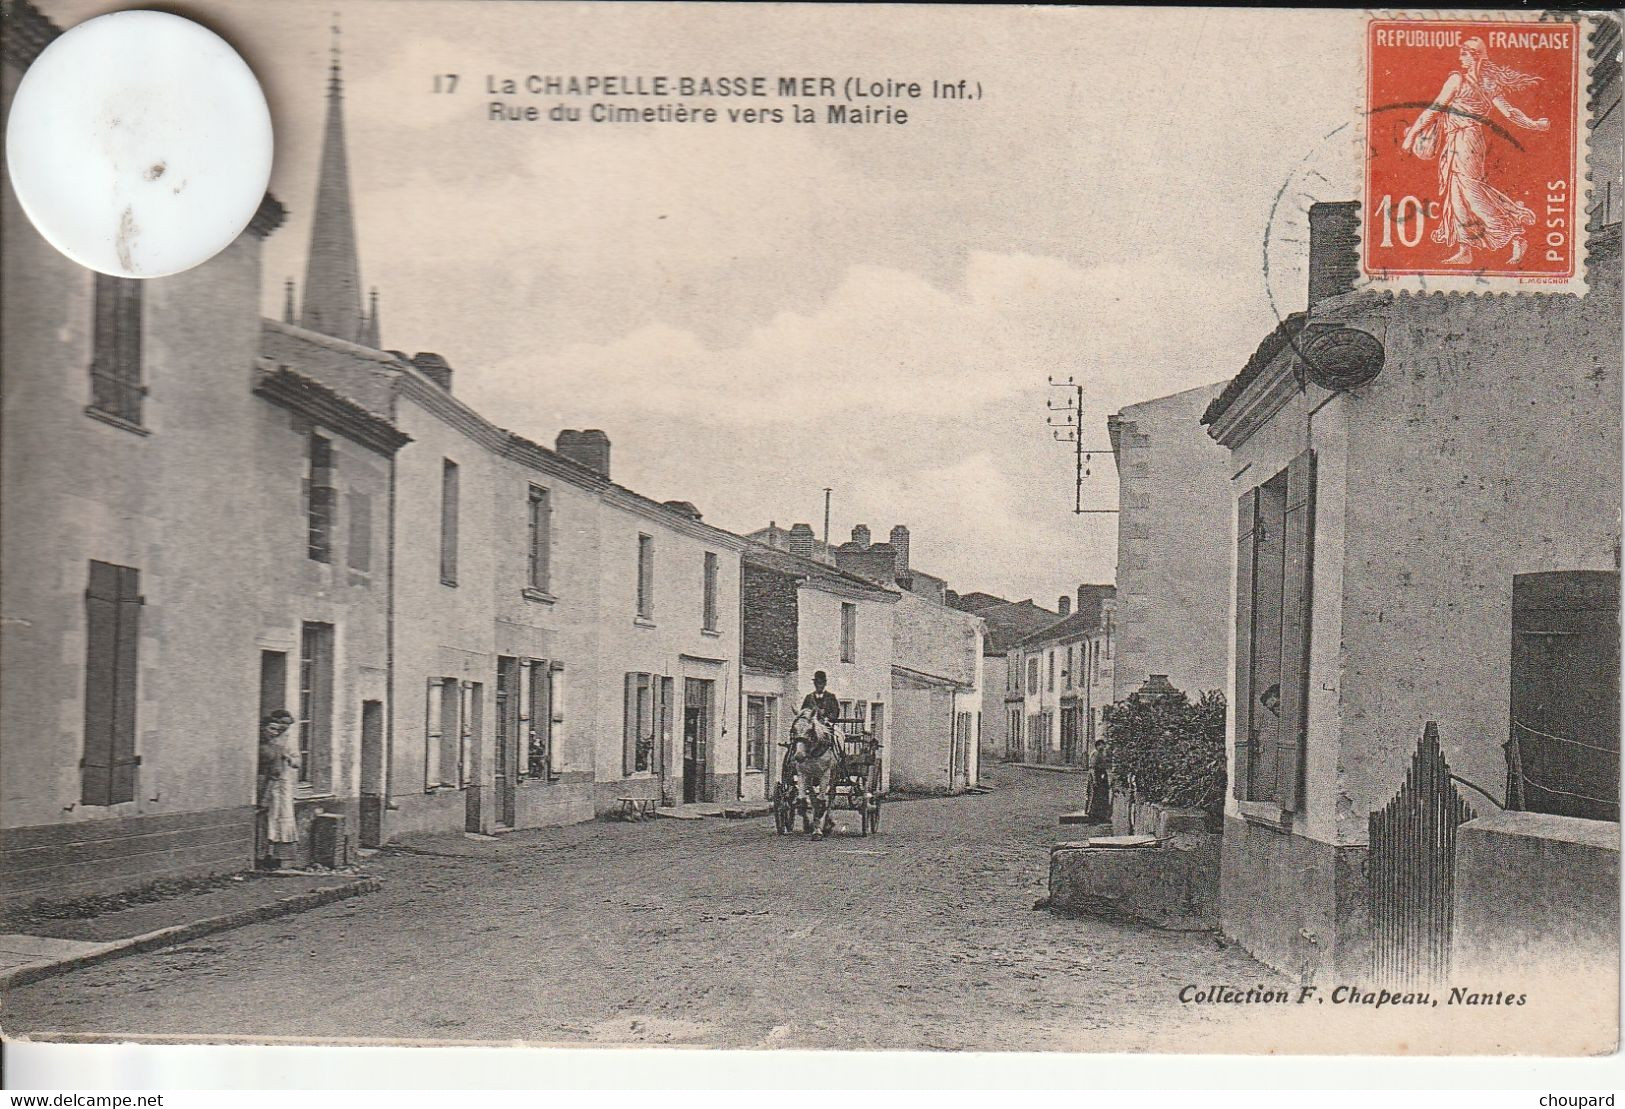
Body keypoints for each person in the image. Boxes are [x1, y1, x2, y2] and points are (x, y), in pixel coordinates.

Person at [1402, 37, 1549, 266]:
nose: (1460, 58)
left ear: (1473, 57)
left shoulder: (1458, 80)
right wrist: (1533, 124)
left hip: (1467, 140)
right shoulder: (1483, 82)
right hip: (1457, 140)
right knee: (1456, 194)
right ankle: (1465, 249)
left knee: (1471, 192)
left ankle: (1514, 235)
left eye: (1464, 53)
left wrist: (1412, 135)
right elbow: (1509, 112)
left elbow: (1435, 109)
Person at [258, 710, 300, 869]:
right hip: (268, 781)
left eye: (288, 725)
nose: (284, 728)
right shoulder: (267, 739)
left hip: (281, 781)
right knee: (267, 816)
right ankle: (264, 853)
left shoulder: (287, 741)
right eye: (282, 723)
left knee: (279, 815)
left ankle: (276, 855)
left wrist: (288, 758)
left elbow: (297, 762)